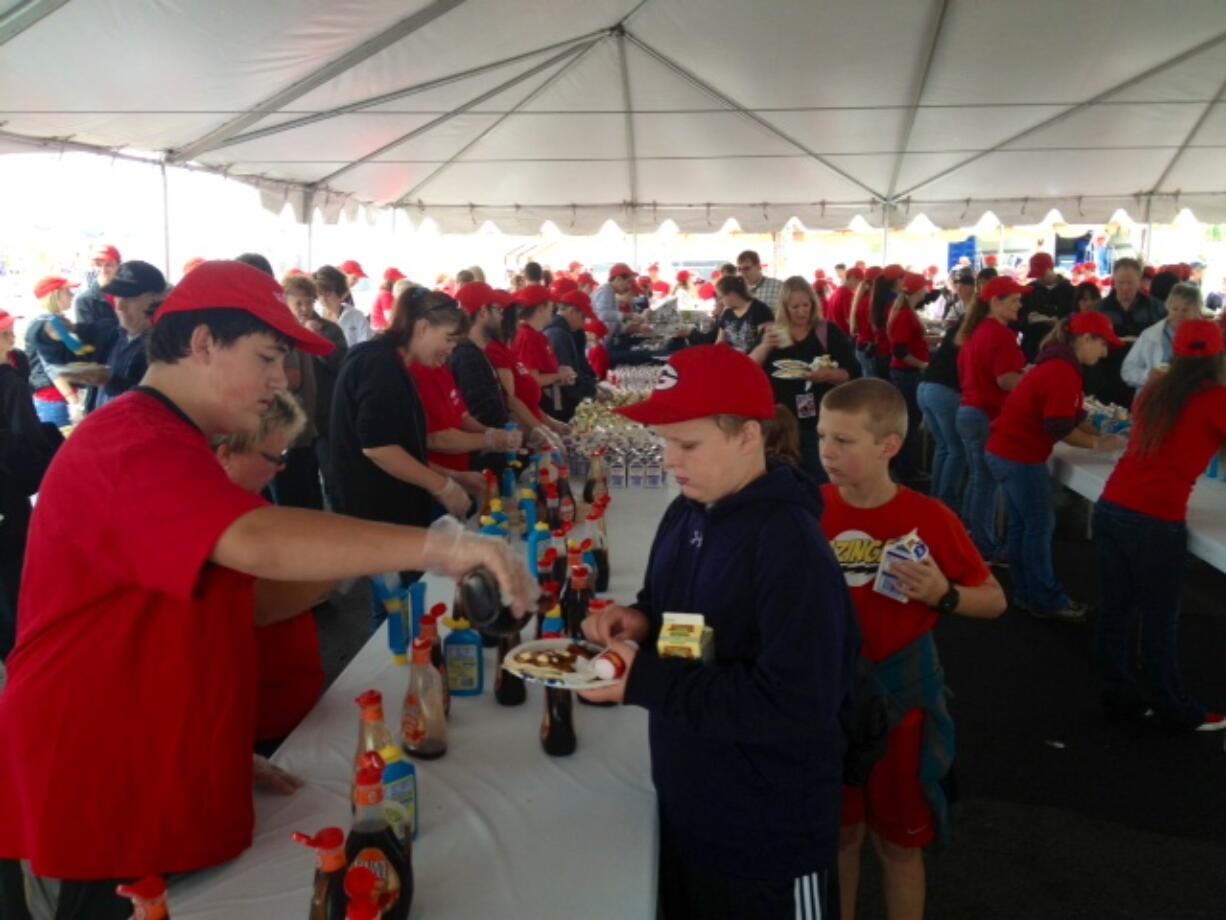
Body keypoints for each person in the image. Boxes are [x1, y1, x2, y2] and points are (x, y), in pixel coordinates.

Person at [0, 261, 534, 919]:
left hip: (165, 759)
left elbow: (243, 601)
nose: (281, 380)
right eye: (268, 357)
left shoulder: (181, 441)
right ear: (202, 344)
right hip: (107, 781)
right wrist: (442, 547)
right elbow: (254, 541)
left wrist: (214, 743)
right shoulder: (130, 440)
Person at [580, 344, 857, 920]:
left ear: (748, 437)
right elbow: (675, 606)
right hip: (693, 797)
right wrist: (640, 618)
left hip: (768, 829)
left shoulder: (790, 545)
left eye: (687, 445)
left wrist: (649, 682)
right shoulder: (688, 509)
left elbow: (798, 704)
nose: (669, 460)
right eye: (665, 442)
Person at [817, 378, 1005, 920]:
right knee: (840, 837)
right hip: (830, 698)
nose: (827, 451)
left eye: (845, 440)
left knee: (900, 845)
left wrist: (944, 596)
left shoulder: (930, 517)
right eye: (824, 436)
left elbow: (994, 601)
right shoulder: (810, 509)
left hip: (903, 704)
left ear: (889, 445)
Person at [1093, 318, 1226, 733]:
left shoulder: (1153, 392)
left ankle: (1119, 696)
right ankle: (1175, 708)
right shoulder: (1216, 399)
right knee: (1159, 621)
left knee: (1117, 611)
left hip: (1112, 507)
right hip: (1155, 520)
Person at [985, 313, 1127, 622]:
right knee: (1038, 527)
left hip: (1005, 451)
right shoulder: (1063, 371)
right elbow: (1060, 426)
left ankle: (1028, 593)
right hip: (1019, 456)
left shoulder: (1059, 365)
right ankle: (1046, 599)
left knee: (1024, 527)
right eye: (1102, 345)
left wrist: (1102, 436)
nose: (1104, 354)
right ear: (1086, 339)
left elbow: (1074, 416)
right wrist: (1098, 445)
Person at [214, 392, 330, 750]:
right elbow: (262, 607)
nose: (281, 467)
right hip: (261, 711)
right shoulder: (219, 515)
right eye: (274, 457)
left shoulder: (252, 499)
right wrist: (335, 570)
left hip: (291, 694)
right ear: (226, 454)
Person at [750, 275, 856, 482]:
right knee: (781, 480)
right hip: (779, 424)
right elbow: (748, 369)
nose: (802, 311)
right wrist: (763, 346)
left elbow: (851, 373)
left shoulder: (826, 331)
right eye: (795, 307)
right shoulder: (775, 332)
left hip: (818, 422)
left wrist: (829, 374)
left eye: (805, 305)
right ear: (784, 307)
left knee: (820, 479)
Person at [0, 309, 62, 660]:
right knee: (12, 580)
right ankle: (20, 652)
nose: (11, 340)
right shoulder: (8, 381)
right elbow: (26, 443)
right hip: (7, 498)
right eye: (6, 334)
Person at [956, 276, 1029, 562]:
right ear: (995, 302)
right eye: (1013, 300)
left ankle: (973, 537)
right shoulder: (999, 334)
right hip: (984, 414)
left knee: (978, 480)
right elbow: (1005, 379)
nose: (1019, 305)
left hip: (970, 411)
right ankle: (985, 547)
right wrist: (1033, 381)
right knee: (985, 483)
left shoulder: (975, 332)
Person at [68, 260, 168, 411]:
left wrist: (109, 381)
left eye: (129, 298)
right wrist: (54, 332)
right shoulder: (114, 334)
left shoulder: (167, 346)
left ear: (154, 298)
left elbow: (155, 402)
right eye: (116, 297)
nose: (119, 306)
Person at [283, 273, 347, 509]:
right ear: (286, 303)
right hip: (297, 420)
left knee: (333, 477)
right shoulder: (283, 333)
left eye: (309, 301)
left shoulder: (330, 330)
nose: (304, 308)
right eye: (298, 303)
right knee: (304, 480)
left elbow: (343, 364)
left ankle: (342, 524)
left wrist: (317, 341)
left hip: (326, 414)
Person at [1085, 257, 1165, 406]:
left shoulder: (1156, 308)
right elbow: (1087, 343)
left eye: (1130, 283)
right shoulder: (1099, 309)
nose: (1125, 288)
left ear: (1139, 281)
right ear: (1113, 281)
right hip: (1107, 377)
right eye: (1121, 283)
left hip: (1142, 379)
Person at [449, 282, 512, 453]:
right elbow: (480, 414)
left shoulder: (476, 352)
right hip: (484, 455)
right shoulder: (467, 356)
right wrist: (496, 437)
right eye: (498, 310)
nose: (501, 317)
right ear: (484, 312)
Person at [917, 319, 965, 512]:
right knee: (956, 450)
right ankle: (946, 503)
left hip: (926, 387)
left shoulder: (955, 332)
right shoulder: (973, 334)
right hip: (945, 391)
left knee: (944, 447)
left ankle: (936, 499)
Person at [886, 273, 931, 482]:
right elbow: (900, 350)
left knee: (910, 422)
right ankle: (906, 471)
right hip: (906, 373)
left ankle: (906, 468)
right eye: (924, 287)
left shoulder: (905, 311)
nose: (927, 291)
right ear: (918, 290)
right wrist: (922, 364)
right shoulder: (905, 315)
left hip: (906, 372)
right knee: (910, 424)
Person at [24, 276, 83, 426]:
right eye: (67, 291)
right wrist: (74, 402)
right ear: (55, 295)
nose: (72, 295)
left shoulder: (45, 322)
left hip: (55, 397)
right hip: (57, 398)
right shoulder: (49, 326)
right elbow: (52, 367)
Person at [1121, 282, 1202, 390]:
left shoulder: (1205, 338)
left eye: (1185, 310)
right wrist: (1147, 375)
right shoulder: (1150, 335)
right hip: (1154, 399)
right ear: (1168, 307)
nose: (1179, 314)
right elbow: (1127, 370)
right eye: (1175, 309)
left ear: (1197, 311)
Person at [512, 285, 576, 418]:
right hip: (541, 405)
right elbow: (532, 379)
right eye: (551, 304)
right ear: (541, 308)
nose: (554, 308)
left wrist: (562, 374)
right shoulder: (528, 337)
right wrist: (559, 375)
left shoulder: (537, 335)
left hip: (549, 400)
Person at [544, 289, 599, 421]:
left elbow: (580, 366)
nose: (584, 322)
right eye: (583, 317)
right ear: (572, 311)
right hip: (562, 402)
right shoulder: (558, 334)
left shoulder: (570, 331)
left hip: (568, 397)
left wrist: (594, 384)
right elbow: (569, 378)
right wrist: (593, 391)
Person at [1017, 252, 1076, 360]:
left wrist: (1060, 323)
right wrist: (1028, 320)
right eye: (1036, 275)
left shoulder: (1070, 291)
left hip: (1062, 350)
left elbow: (1076, 317)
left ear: (1051, 269)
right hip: (1033, 350)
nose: (1039, 278)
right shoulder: (1028, 291)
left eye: (1041, 273)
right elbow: (1017, 320)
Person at [714, 274, 774, 353]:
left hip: (753, 360)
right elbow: (720, 341)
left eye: (721, 297)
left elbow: (763, 344)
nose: (720, 301)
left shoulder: (760, 309)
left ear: (732, 294)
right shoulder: (726, 313)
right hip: (732, 358)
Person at [315, 265, 371, 347]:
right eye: (319, 294)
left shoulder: (356, 317)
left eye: (327, 294)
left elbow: (365, 347)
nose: (323, 299)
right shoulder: (315, 315)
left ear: (341, 294)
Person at [73, 243, 120, 326]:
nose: (103, 269)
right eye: (98, 265)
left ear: (118, 266)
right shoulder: (84, 301)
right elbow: (87, 335)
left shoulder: (127, 294)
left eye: (108, 265)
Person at [371, 267, 406, 331]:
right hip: (382, 330)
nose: (400, 283)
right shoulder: (387, 295)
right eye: (398, 280)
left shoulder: (383, 293)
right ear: (392, 281)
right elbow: (390, 318)